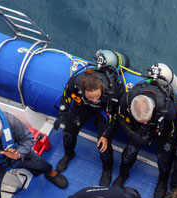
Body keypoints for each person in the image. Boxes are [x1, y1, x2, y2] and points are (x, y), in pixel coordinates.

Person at [112, 63, 177, 198]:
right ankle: (123, 174)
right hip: (137, 130)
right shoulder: (128, 98)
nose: (145, 123)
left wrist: (170, 141)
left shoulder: (167, 108)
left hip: (162, 129)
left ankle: (162, 180)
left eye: (146, 120)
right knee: (129, 151)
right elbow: (120, 116)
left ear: (154, 109)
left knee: (164, 158)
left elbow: (176, 126)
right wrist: (132, 133)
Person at [54, 55, 126, 186]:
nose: (94, 99)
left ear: (101, 89)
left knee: (103, 144)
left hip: (104, 111)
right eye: (90, 96)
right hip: (83, 106)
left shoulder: (112, 92)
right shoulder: (76, 82)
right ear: (83, 90)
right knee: (68, 133)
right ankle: (69, 155)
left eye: (97, 96)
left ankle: (107, 169)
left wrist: (105, 135)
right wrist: (62, 113)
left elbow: (115, 115)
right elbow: (67, 94)